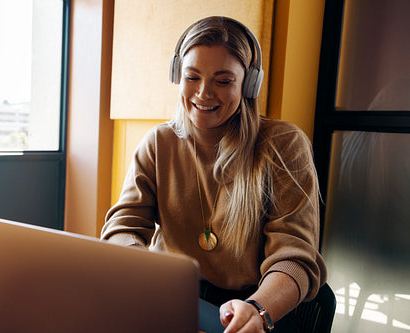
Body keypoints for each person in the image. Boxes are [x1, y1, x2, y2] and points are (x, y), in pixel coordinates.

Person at [101, 16, 327, 333]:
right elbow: (121, 227)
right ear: (177, 75)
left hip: (255, 302)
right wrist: (145, 276)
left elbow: (295, 256)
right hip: (175, 297)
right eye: (192, 77)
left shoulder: (283, 145)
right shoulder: (158, 143)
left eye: (223, 81)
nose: (204, 93)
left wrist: (258, 310)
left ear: (249, 84)